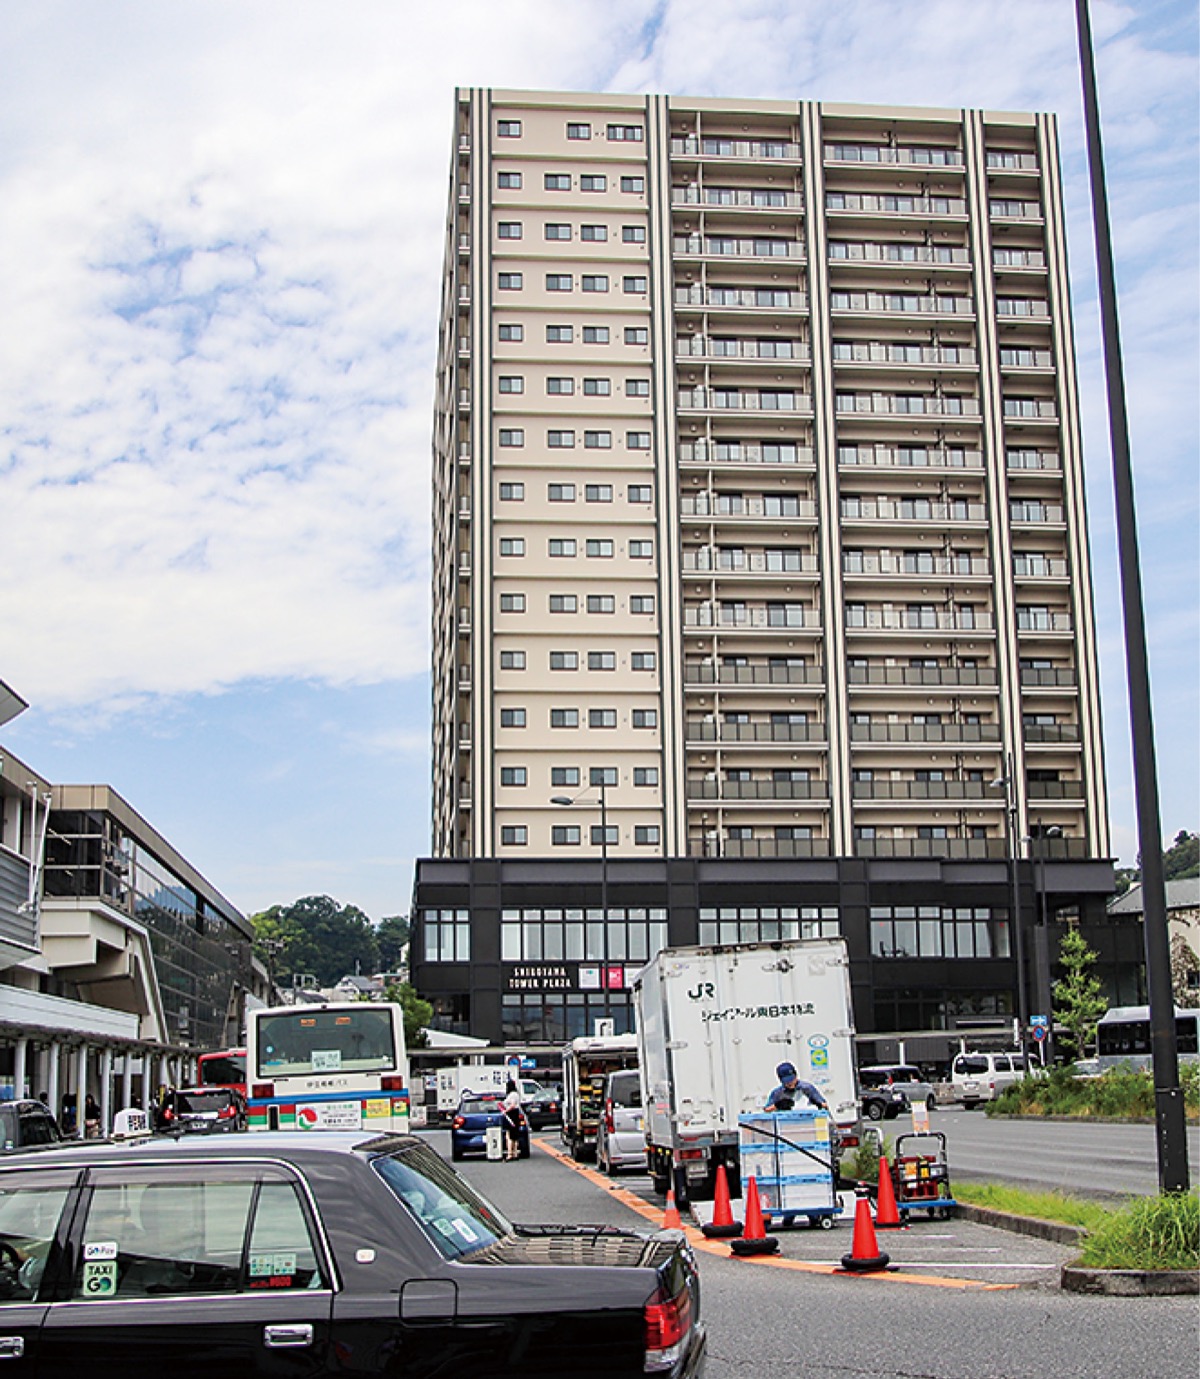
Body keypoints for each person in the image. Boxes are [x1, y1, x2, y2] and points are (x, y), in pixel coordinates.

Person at [501, 1079, 525, 1161]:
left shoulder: (512, 1095)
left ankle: (509, 1154)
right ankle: (515, 1153)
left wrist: (505, 1111)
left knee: (509, 1136)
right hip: (516, 1114)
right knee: (515, 1136)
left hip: (511, 1115)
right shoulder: (516, 1094)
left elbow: (512, 1105)